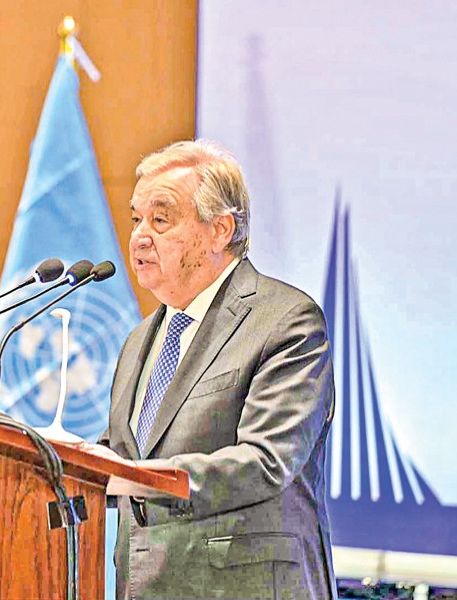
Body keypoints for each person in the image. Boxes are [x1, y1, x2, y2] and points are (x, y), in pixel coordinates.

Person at [87, 140, 336, 599]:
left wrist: (140, 478)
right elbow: (123, 455)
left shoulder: (285, 322)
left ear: (220, 230)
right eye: (136, 218)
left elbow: (266, 460)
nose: (140, 235)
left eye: (161, 219)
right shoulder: (140, 339)